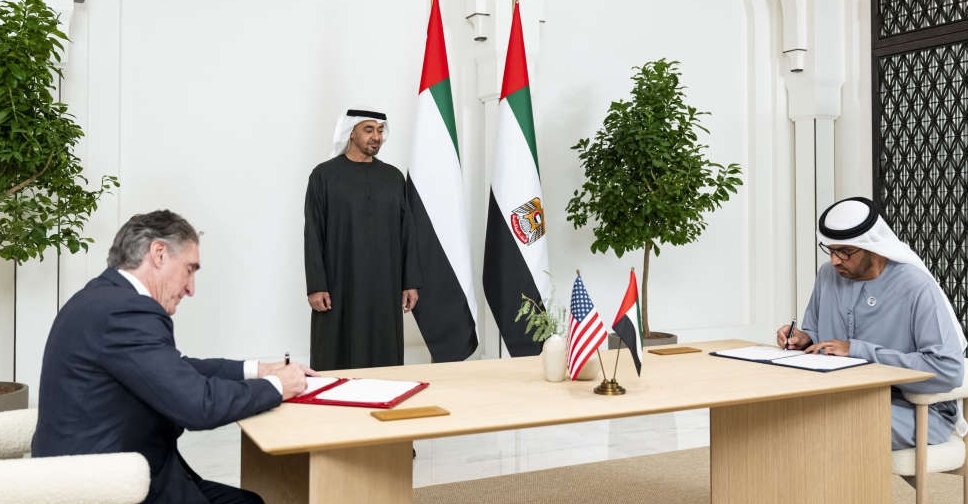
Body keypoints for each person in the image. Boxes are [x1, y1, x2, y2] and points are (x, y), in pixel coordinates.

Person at [32, 210, 314, 504]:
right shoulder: (126, 311)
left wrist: (258, 370)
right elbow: (198, 406)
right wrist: (278, 386)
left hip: (99, 473)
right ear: (159, 254)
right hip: (106, 488)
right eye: (189, 270)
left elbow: (174, 369)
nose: (191, 289)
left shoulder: (102, 298)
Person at [776, 196, 966, 449]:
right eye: (830, 250)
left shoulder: (915, 286)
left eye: (845, 252)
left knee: (823, 422)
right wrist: (804, 339)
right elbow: (820, 338)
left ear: (872, 246)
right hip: (841, 396)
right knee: (778, 412)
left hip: (912, 409)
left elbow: (948, 370)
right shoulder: (827, 275)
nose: (835, 260)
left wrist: (857, 351)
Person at [304, 108, 421, 370]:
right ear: (351, 132)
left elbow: (407, 232)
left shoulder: (392, 177)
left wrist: (410, 282)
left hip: (385, 284)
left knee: (384, 354)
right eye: (368, 130)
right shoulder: (324, 176)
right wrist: (316, 285)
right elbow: (313, 232)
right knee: (335, 351)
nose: (376, 137)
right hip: (338, 284)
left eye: (380, 131)